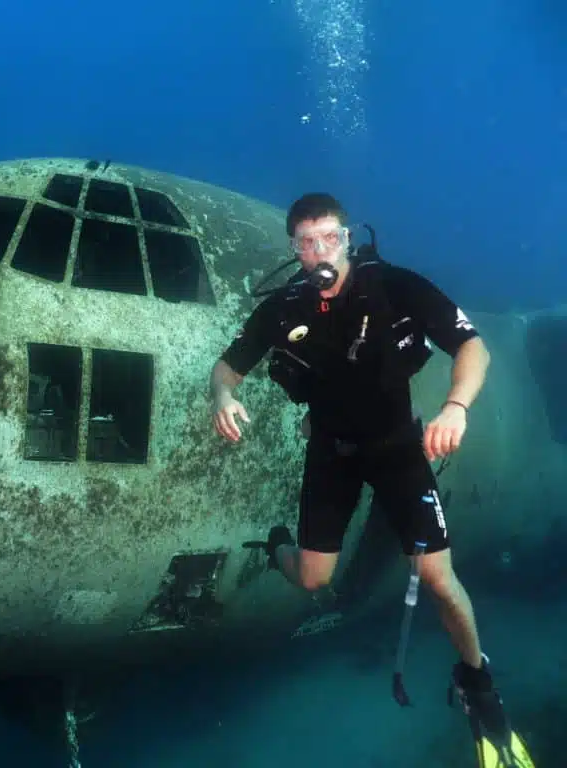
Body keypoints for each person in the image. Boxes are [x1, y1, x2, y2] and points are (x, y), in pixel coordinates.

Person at [210, 193, 532, 767]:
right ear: (294, 250)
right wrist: (222, 395)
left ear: (348, 238)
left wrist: (456, 406)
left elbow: (471, 345)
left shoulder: (396, 287)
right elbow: (228, 365)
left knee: (437, 576)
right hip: (332, 455)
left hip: (396, 449)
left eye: (329, 237)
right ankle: (278, 545)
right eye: (306, 243)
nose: (319, 252)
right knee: (313, 580)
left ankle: (478, 684)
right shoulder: (284, 310)